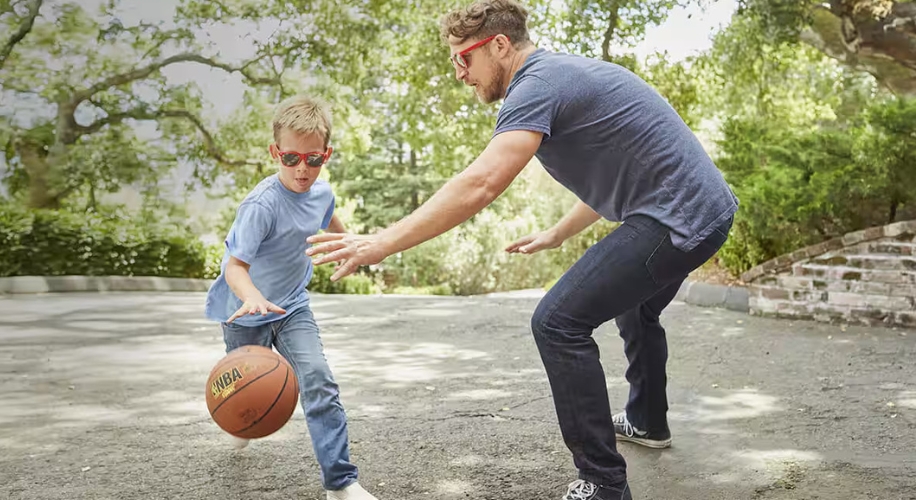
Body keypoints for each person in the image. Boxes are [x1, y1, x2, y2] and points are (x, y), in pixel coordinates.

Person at [306, 0, 739, 498]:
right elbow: (621, 177)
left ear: (499, 45)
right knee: (635, 306)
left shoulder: (535, 83)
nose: (459, 74)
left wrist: (381, 242)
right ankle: (647, 421)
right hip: (704, 209)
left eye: (462, 59)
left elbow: (483, 182)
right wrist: (557, 233)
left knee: (557, 322)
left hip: (679, 217)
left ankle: (603, 484)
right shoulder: (559, 74)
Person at [204, 95, 379, 500]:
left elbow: (331, 223)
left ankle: (341, 482)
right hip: (244, 310)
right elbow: (234, 267)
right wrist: (252, 299)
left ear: (326, 155)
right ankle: (241, 422)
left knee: (318, 377)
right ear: (275, 153)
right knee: (244, 391)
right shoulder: (260, 206)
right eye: (291, 158)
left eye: (313, 159)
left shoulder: (322, 193)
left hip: (292, 306)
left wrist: (349, 247)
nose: (303, 168)